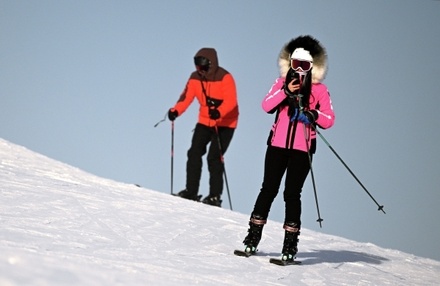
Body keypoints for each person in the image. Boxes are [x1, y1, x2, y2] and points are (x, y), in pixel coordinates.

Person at [240, 35, 335, 262]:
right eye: (296, 64)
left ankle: (290, 246)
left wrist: (312, 114)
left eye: (305, 66)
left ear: (313, 66)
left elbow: (329, 119)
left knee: (292, 194)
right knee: (268, 189)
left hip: (302, 150)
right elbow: (266, 105)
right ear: (289, 63)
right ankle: (252, 239)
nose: (300, 70)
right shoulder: (280, 83)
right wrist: (286, 92)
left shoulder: (320, 90)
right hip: (277, 146)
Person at [167, 48, 239, 207]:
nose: (200, 70)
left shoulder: (225, 78)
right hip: (205, 121)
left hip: (225, 124)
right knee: (194, 152)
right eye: (197, 67)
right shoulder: (195, 78)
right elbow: (186, 97)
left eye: (203, 67)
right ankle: (191, 191)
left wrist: (219, 112)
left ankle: (214, 196)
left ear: (211, 65)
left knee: (213, 157)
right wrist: (176, 110)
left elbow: (231, 102)